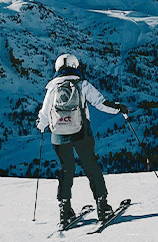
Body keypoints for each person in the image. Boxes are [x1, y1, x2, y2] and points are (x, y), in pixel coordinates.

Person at [36, 54, 129, 225]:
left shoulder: (52, 88)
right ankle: (102, 207)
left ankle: (65, 210)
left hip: (58, 136)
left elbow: (44, 113)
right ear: (75, 66)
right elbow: (101, 103)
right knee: (91, 166)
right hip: (81, 133)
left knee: (66, 169)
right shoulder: (82, 84)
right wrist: (119, 109)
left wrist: (41, 126)